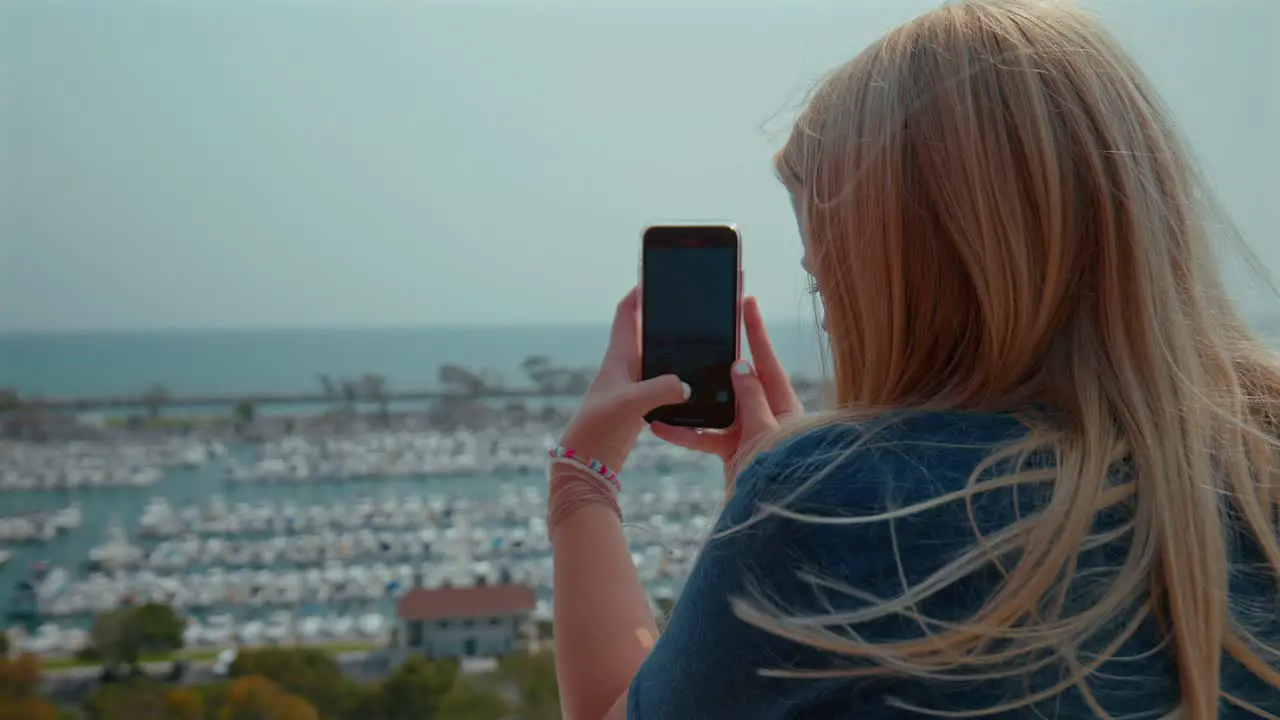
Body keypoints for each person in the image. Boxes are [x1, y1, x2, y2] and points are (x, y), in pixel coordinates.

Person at [546, 1, 1280, 718]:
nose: (829, 316)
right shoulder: (1261, 461)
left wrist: (583, 482)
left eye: (822, 278)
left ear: (904, 279)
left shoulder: (837, 511)